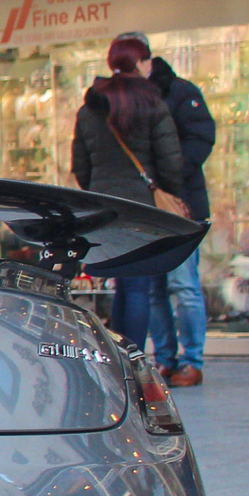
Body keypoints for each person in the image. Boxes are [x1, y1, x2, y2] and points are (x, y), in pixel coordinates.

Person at [72, 35, 185, 354]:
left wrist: (96, 193)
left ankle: (117, 356)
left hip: (103, 208)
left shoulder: (89, 109)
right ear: (139, 63)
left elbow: (80, 166)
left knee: (122, 281)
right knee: (138, 284)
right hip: (142, 208)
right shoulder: (151, 103)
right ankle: (132, 359)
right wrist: (168, 193)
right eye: (147, 59)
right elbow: (171, 160)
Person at [125, 33, 216, 388]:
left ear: (147, 61)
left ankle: (192, 361)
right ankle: (165, 359)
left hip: (180, 204)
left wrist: (171, 177)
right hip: (146, 206)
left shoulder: (180, 91)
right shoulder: (130, 98)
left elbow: (201, 138)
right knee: (153, 289)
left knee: (183, 284)